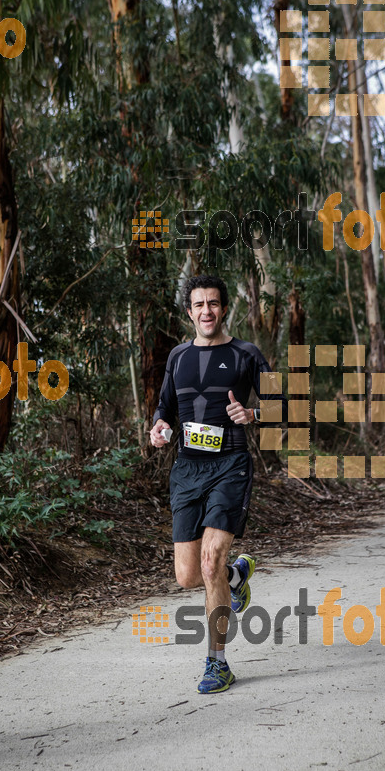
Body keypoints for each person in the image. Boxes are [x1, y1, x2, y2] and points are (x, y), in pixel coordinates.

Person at [150, 274, 287, 694]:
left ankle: (217, 662)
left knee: (210, 563)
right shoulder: (176, 357)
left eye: (213, 303)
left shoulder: (246, 353)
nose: (206, 311)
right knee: (189, 575)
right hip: (188, 470)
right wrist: (158, 428)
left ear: (224, 308)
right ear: (189, 311)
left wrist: (255, 415)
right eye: (198, 304)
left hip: (230, 465)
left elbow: (282, 404)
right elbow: (165, 409)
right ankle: (236, 577)